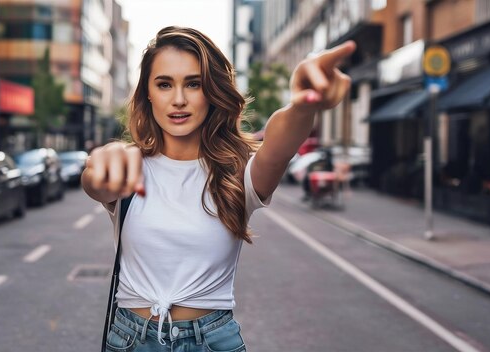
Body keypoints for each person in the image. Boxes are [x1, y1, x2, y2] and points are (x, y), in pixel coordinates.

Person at [82, 26, 355, 351]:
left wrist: (304, 106)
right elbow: (95, 182)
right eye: (165, 84)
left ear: (212, 91)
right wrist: (98, 167)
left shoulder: (236, 171)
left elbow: (280, 143)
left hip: (210, 341)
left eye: (194, 84)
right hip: (130, 340)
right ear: (148, 93)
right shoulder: (128, 164)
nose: (179, 99)